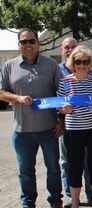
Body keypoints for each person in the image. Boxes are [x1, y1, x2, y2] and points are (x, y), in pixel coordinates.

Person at [0, 28, 63, 208]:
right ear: (19, 45)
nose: (28, 45)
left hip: (49, 129)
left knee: (53, 170)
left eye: (31, 41)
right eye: (24, 42)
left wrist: (62, 121)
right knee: (25, 172)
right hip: (22, 131)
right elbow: (1, 93)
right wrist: (18, 98)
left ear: (38, 43)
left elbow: (62, 94)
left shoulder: (50, 64)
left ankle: (55, 202)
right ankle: (28, 203)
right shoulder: (9, 66)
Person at [56, 46, 92, 208]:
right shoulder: (65, 82)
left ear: (90, 63)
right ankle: (75, 203)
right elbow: (58, 105)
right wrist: (63, 109)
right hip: (73, 131)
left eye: (85, 62)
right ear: (73, 63)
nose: (82, 65)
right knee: (75, 166)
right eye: (78, 61)